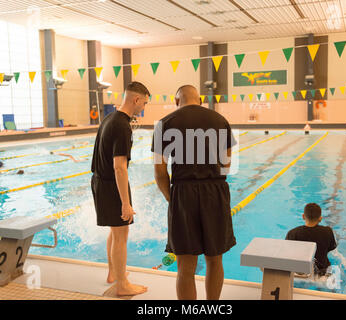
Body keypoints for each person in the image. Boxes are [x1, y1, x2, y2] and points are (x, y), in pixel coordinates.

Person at [152, 85, 237, 300]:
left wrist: (173, 199)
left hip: (183, 191)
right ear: (200, 99)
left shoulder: (164, 123)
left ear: (176, 100)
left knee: (185, 266)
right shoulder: (220, 120)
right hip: (215, 191)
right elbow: (227, 164)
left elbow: (159, 171)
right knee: (215, 259)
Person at [91, 81, 150, 297]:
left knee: (115, 232)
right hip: (111, 184)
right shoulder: (122, 125)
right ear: (136, 99)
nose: (143, 107)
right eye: (144, 103)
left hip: (100, 180)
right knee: (121, 234)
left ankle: (113, 274)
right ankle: (122, 285)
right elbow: (119, 166)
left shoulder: (110, 118)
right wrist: (125, 203)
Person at [285, 203, 337, 276]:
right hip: (322, 272)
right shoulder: (327, 231)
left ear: (303, 216)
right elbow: (331, 247)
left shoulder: (293, 233)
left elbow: (287, 254)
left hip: (301, 273)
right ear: (320, 218)